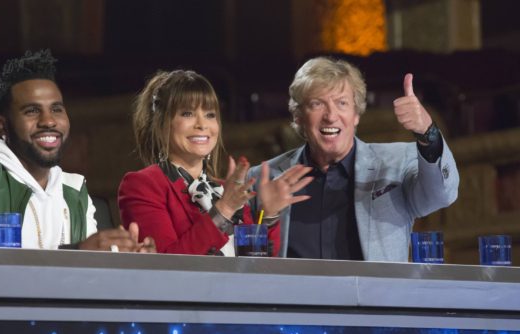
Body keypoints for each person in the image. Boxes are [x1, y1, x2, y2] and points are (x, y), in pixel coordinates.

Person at [0, 49, 155, 252]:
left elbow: (89, 281)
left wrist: (128, 265)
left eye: (56, 109)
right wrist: (77, 253)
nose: (49, 121)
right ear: (2, 125)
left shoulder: (73, 191)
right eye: (31, 111)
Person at [248, 57, 459, 262]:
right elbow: (246, 267)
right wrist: (266, 218)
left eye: (342, 103)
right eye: (317, 104)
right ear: (298, 117)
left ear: (356, 114)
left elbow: (442, 195)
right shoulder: (263, 178)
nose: (331, 116)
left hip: (374, 298)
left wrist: (427, 132)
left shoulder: (396, 163)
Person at [118, 70, 312, 255]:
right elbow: (168, 267)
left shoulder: (224, 189)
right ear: (161, 124)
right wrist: (224, 210)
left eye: (210, 114)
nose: (202, 125)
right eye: (187, 113)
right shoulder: (143, 185)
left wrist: (267, 216)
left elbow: (255, 269)